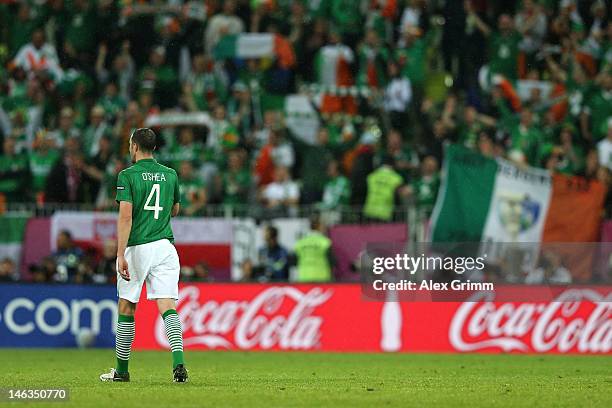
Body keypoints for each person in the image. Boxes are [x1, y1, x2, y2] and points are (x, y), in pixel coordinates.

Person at [99, 128, 187, 383]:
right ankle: (178, 365)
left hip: (138, 246)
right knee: (167, 307)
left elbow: (126, 216)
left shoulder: (127, 175)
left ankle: (122, 372)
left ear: (134, 147)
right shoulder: (171, 175)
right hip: (165, 248)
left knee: (127, 306)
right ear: (155, 148)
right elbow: (175, 209)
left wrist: (120, 254)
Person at [294, 217, 333, 282]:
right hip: (322, 276)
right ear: (319, 227)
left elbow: (295, 260)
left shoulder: (300, 243)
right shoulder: (325, 242)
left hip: (304, 275)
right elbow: (331, 260)